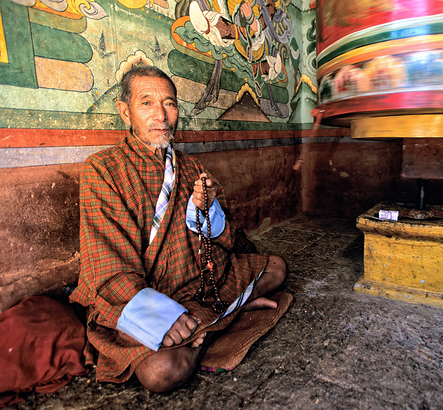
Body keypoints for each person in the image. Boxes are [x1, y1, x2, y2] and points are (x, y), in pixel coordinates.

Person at [69, 65, 287, 393]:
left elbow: (225, 240)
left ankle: (206, 322)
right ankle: (221, 317)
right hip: (144, 294)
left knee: (276, 268)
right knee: (163, 372)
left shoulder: (192, 167)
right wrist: (162, 315)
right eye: (146, 103)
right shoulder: (102, 170)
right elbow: (106, 262)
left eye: (169, 103)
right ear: (125, 110)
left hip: (199, 283)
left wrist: (208, 208)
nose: (161, 115)